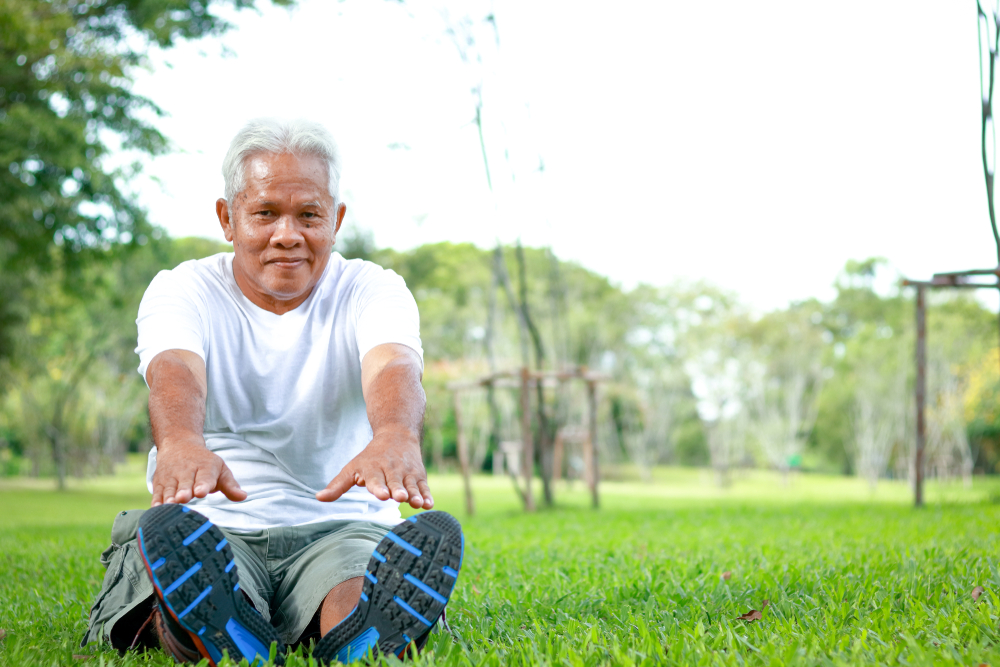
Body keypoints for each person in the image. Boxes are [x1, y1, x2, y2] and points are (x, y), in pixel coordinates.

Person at [80, 118, 463, 666]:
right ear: (227, 218)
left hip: (343, 522)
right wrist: (182, 441)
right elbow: (174, 370)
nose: (289, 233)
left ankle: (357, 637)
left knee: (358, 577)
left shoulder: (372, 288)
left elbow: (393, 365)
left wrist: (396, 434)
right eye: (265, 213)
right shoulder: (182, 289)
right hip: (212, 526)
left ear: (336, 220)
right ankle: (214, 628)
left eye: (309, 215)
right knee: (173, 583)